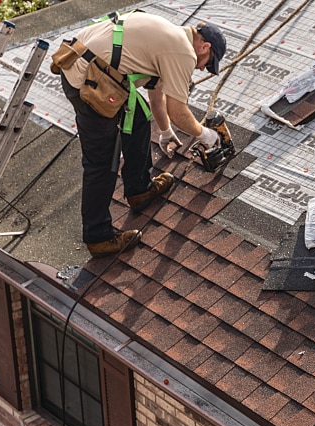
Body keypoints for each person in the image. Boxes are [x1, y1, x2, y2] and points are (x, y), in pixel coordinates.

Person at [58, 12, 226, 257]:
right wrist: (206, 135)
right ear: (205, 46)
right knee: (102, 162)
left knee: (137, 116)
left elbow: (156, 95)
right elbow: (178, 111)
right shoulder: (183, 52)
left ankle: (139, 189)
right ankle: (98, 238)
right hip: (87, 81)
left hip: (91, 67)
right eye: (207, 62)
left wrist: (166, 131)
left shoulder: (167, 36)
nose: (202, 68)